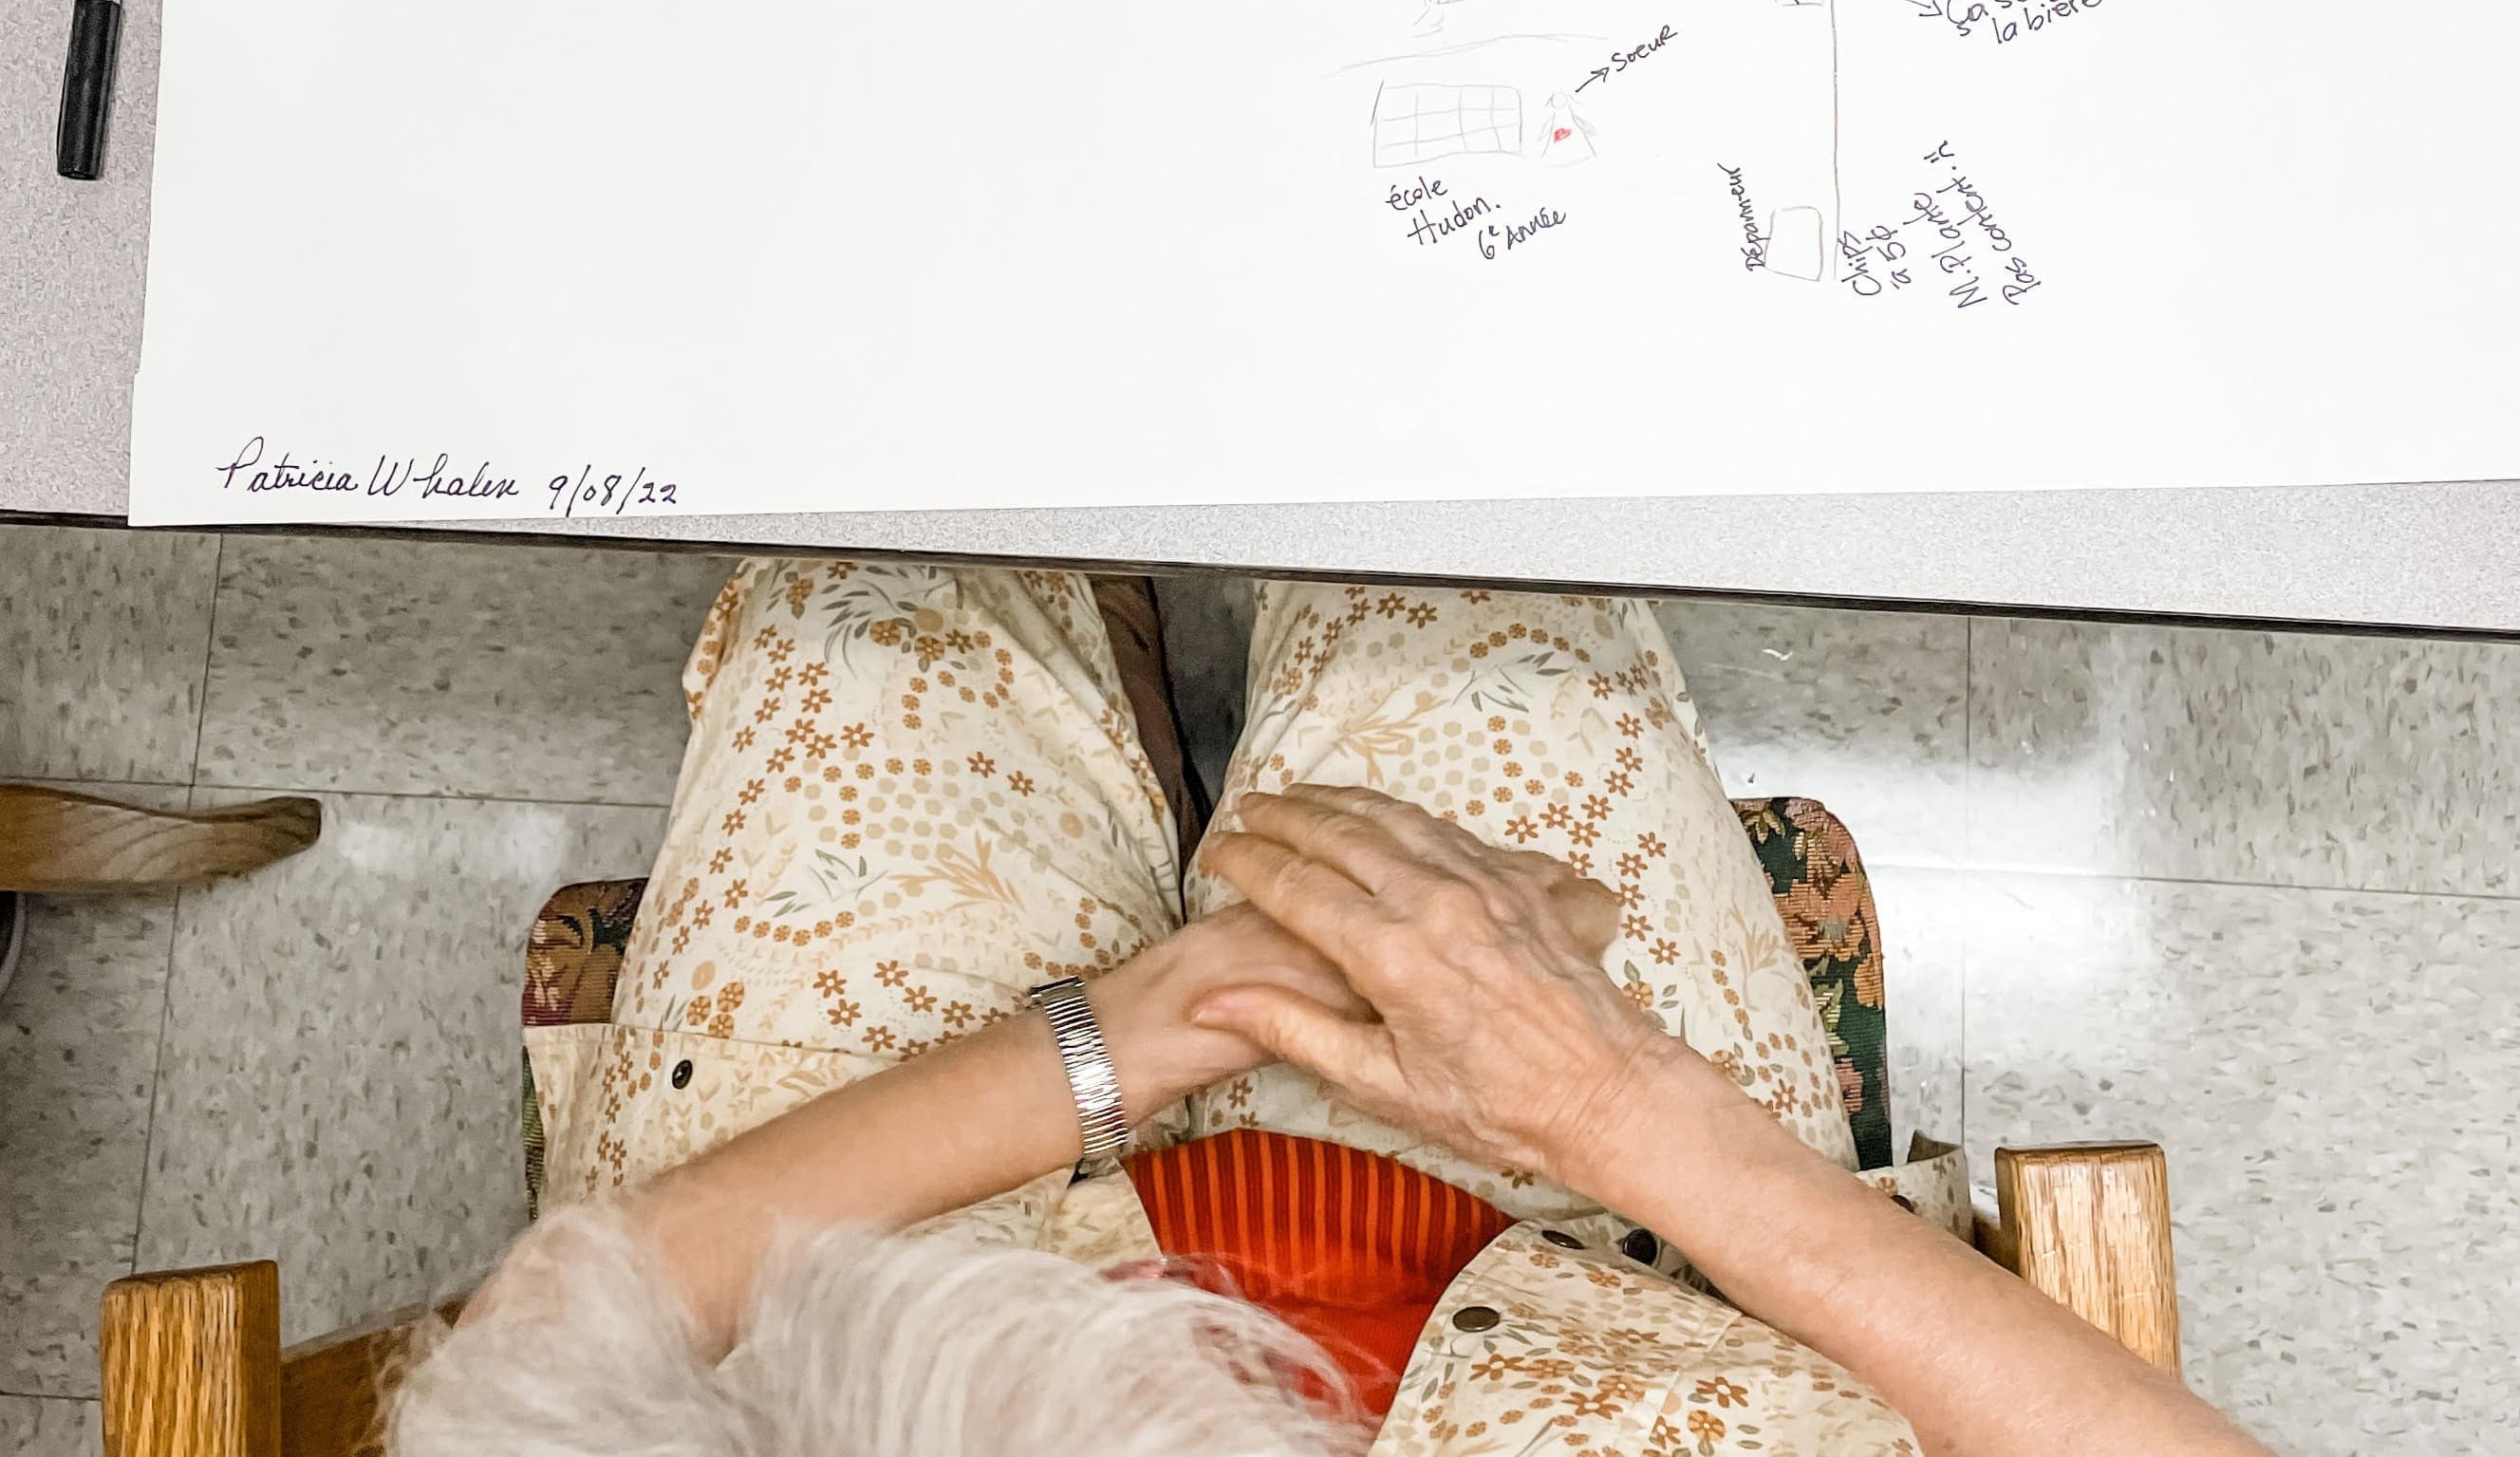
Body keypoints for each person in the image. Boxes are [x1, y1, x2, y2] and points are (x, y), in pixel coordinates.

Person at [398, 563, 2270, 1457]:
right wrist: (1616, 1103)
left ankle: (1081, 632)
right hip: (1626, 1271)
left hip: (890, 1239)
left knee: (874, 610)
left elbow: (556, 1343)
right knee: (1465, 579)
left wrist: (1139, 1026)